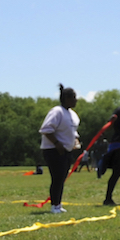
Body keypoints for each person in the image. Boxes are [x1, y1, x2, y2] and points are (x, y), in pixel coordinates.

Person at [39, 84, 80, 214]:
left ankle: (58, 204)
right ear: (66, 98)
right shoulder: (57, 111)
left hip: (66, 151)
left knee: (62, 178)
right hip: (53, 150)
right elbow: (46, 130)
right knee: (57, 178)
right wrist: (57, 144)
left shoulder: (73, 115)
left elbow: (73, 132)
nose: (76, 100)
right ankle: (54, 205)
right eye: (73, 98)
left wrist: (76, 141)